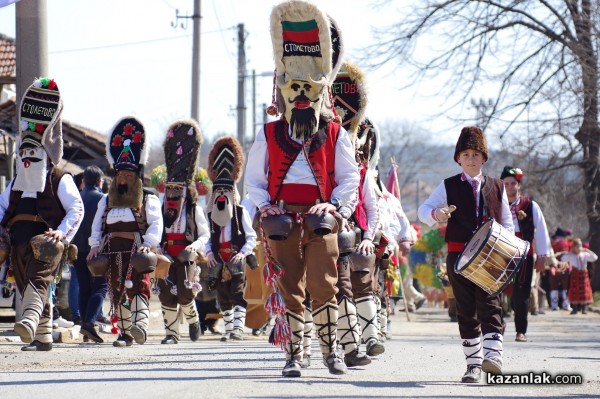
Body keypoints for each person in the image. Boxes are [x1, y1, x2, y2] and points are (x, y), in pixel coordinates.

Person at [246, 0, 359, 378]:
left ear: (319, 93)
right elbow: (254, 182)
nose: (300, 97)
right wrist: (264, 207)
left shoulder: (334, 133)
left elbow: (348, 178)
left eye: (308, 90)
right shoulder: (268, 133)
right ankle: (295, 354)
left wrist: (336, 208)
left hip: (320, 215)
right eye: (294, 89)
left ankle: (332, 353)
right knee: (289, 285)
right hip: (281, 216)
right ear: (283, 89)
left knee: (324, 283)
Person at [418, 126, 513, 383]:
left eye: (476, 154)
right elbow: (423, 210)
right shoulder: (447, 185)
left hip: (491, 257)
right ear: (458, 158)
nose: (471, 159)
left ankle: (493, 358)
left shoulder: (497, 186)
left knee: (491, 304)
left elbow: (507, 222)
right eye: (466, 154)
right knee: (466, 309)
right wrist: (436, 215)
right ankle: (473, 365)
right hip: (459, 257)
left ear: (484, 158)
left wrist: (508, 252)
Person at [0, 78, 83, 351]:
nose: (26, 156)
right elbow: (1, 207)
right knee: (24, 285)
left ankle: (28, 322)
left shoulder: (59, 179)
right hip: (18, 241)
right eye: (23, 151)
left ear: (44, 153)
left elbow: (76, 209)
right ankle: (43, 338)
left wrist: (62, 232)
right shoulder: (15, 183)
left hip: (47, 242)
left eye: (31, 151)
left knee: (37, 281)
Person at [88, 117, 163, 347]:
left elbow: (156, 223)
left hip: (136, 250)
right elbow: (97, 225)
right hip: (112, 252)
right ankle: (124, 333)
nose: (123, 178)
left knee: (139, 286)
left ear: (137, 177)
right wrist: (93, 245)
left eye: (128, 175)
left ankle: (140, 326)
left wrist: (148, 242)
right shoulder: (106, 201)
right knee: (116, 291)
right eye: (120, 175)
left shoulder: (148, 198)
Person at [157, 119, 210, 345]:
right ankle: (171, 334)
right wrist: (156, 246)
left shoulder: (193, 209)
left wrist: (194, 247)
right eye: (171, 189)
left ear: (186, 193)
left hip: (187, 257)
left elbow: (205, 234)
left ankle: (193, 320)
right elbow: (155, 230)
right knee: (166, 294)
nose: (174, 194)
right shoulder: (161, 208)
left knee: (185, 294)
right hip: (167, 255)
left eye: (179, 190)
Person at [205, 136, 256, 342]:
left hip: (236, 259)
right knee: (222, 295)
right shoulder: (210, 215)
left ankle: (237, 329)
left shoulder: (241, 212)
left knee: (237, 293)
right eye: (218, 191)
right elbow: (209, 238)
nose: (222, 195)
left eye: (226, 191)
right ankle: (228, 330)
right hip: (218, 260)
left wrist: (243, 253)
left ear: (232, 192)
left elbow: (250, 236)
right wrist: (209, 253)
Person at [500, 166, 551, 342]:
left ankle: (520, 331)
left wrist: (542, 256)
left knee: (521, 294)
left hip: (524, 254)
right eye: (506, 184)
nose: (509, 187)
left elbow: (541, 231)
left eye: (513, 183)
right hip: (501, 252)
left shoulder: (530, 205)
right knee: (495, 291)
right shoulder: (496, 204)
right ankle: (498, 324)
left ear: (518, 185)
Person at [71, 165, 108, 343]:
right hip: (97, 250)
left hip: (77, 249)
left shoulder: (75, 198)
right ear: (100, 182)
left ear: (83, 181)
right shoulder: (103, 199)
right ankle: (89, 323)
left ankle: (86, 327)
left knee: (84, 287)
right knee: (101, 286)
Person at [562, 238, 597, 314]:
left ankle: (584, 308)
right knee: (575, 290)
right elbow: (563, 258)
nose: (579, 248)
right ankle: (574, 308)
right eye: (577, 246)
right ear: (574, 247)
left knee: (584, 291)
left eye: (580, 246)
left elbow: (595, 258)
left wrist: (588, 251)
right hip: (575, 273)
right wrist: (570, 252)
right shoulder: (571, 255)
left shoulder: (584, 254)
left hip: (583, 273)